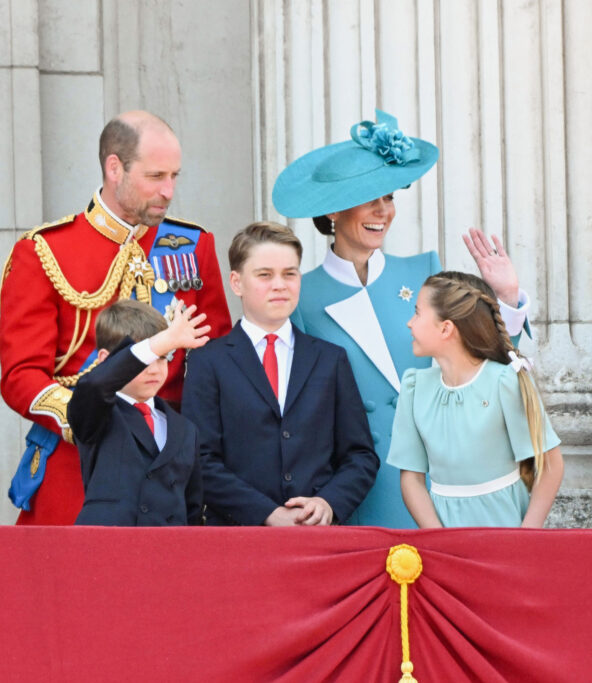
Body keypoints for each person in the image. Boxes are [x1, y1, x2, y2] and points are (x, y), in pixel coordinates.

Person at [272, 109, 530, 528]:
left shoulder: (423, 272)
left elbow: (485, 365)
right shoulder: (301, 296)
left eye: (389, 196)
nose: (383, 211)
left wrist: (505, 298)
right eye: (369, 198)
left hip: (444, 479)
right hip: (362, 491)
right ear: (332, 211)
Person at [0, 110, 233, 525]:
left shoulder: (193, 246)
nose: (169, 190)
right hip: (79, 464)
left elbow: (213, 361)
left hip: (168, 469)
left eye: (175, 176)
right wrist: (90, 423)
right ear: (114, 168)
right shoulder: (43, 251)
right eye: (156, 176)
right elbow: (21, 376)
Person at [182, 222, 378, 526]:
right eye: (264, 275)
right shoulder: (208, 362)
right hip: (239, 537)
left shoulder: (330, 359)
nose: (280, 285)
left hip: (317, 536)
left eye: (290, 273)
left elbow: (360, 455)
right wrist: (267, 513)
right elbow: (200, 460)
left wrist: (328, 503)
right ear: (236, 283)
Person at [387, 271, 563, 527]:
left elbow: (551, 464)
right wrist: (437, 538)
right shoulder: (415, 388)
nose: (410, 323)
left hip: (505, 526)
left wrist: (528, 534)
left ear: (446, 328)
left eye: (417, 313)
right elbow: (411, 479)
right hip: (443, 534)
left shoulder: (505, 382)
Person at [68, 300, 210, 526]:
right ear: (105, 360)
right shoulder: (97, 412)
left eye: (163, 357)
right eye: (143, 361)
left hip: (167, 553)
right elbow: (96, 385)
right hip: (107, 552)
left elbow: (191, 509)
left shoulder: (184, 429)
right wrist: (159, 343)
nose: (154, 368)